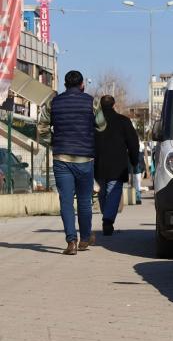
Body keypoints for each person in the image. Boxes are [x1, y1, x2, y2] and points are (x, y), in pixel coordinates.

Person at [37, 70, 106, 255]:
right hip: (85, 158)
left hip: (61, 159)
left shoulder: (53, 102)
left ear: (65, 85)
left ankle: (71, 242)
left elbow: (42, 127)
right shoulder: (92, 102)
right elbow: (102, 126)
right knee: (84, 200)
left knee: (66, 201)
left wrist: (53, 142)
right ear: (82, 85)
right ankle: (85, 238)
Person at [94, 95, 140, 235]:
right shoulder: (123, 121)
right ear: (113, 105)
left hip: (98, 164)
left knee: (102, 193)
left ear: (101, 106)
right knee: (113, 193)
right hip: (117, 165)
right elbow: (133, 142)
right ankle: (108, 220)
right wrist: (134, 160)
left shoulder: (94, 121)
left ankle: (107, 217)